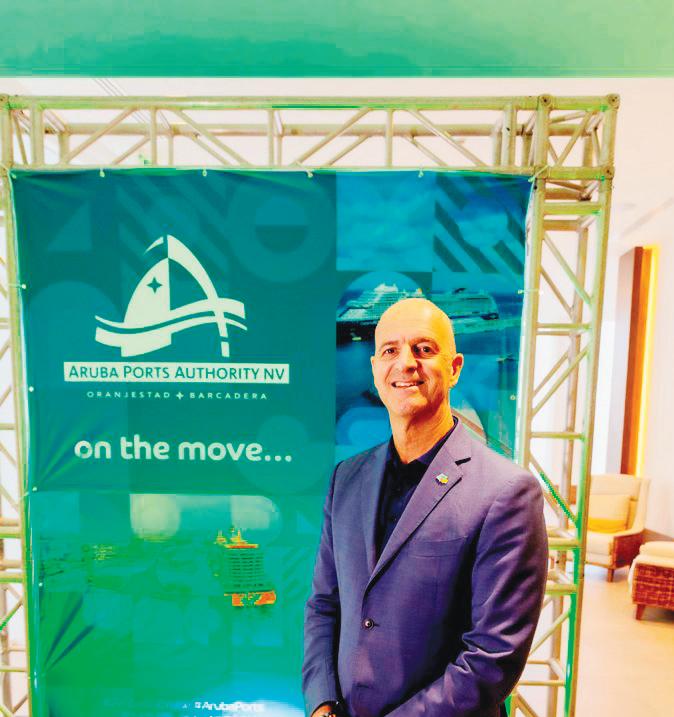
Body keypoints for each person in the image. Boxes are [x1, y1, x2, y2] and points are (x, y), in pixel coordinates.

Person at [302, 297, 548, 717]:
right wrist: (321, 704)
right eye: (390, 350)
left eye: (424, 349)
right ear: (375, 370)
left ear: (454, 368)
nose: (406, 363)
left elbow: (492, 657)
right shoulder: (347, 479)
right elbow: (324, 605)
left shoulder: (507, 492)